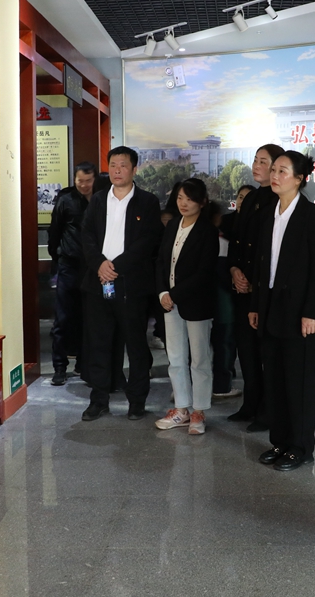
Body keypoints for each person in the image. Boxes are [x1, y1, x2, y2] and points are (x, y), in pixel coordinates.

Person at [250, 151, 315, 471]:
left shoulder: (312, 215)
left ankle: (301, 447)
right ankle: (280, 441)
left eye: (282, 171)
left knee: (298, 382)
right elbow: (261, 266)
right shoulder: (268, 212)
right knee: (275, 380)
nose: (274, 175)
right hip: (270, 307)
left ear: (299, 179)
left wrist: (312, 312)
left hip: (299, 312)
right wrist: (256, 306)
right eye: (274, 170)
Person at [80, 146, 163, 421]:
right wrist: (100, 264)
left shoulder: (147, 202)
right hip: (98, 282)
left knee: (136, 345)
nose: (117, 170)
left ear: (134, 169)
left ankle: (136, 401)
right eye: (113, 165)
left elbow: (147, 241)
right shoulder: (98, 200)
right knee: (99, 343)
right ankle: (99, 399)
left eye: (123, 165)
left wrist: (115, 267)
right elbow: (86, 236)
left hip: (131, 286)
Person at [227, 144, 285, 431]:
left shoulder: (279, 199)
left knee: (266, 354)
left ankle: (268, 411)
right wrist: (234, 270)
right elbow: (237, 240)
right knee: (246, 351)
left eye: (264, 161)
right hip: (241, 288)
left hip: (263, 291)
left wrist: (252, 279)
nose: (257, 165)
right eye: (256, 160)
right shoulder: (250, 198)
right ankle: (249, 405)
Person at [155, 179, 219, 435]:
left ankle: (199, 411)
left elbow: (205, 272)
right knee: (176, 358)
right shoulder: (172, 225)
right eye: (181, 197)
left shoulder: (207, 231)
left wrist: (174, 294)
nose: (184, 203)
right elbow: (161, 261)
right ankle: (181, 409)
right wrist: (163, 292)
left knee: (200, 359)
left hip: (196, 303)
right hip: (169, 302)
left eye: (190, 199)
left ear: (202, 202)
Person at [47, 161, 98, 385]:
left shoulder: (101, 200)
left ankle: (83, 364)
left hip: (93, 268)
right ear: (74, 179)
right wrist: (58, 258)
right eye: (80, 181)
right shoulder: (65, 199)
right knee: (63, 319)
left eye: (88, 181)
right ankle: (59, 367)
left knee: (89, 318)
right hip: (68, 265)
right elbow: (55, 231)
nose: (84, 185)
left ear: (94, 179)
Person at [208, 201, 241, 399]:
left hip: (197, 305)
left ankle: (191, 387)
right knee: (224, 344)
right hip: (223, 304)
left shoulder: (191, 239)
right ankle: (222, 385)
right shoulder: (223, 243)